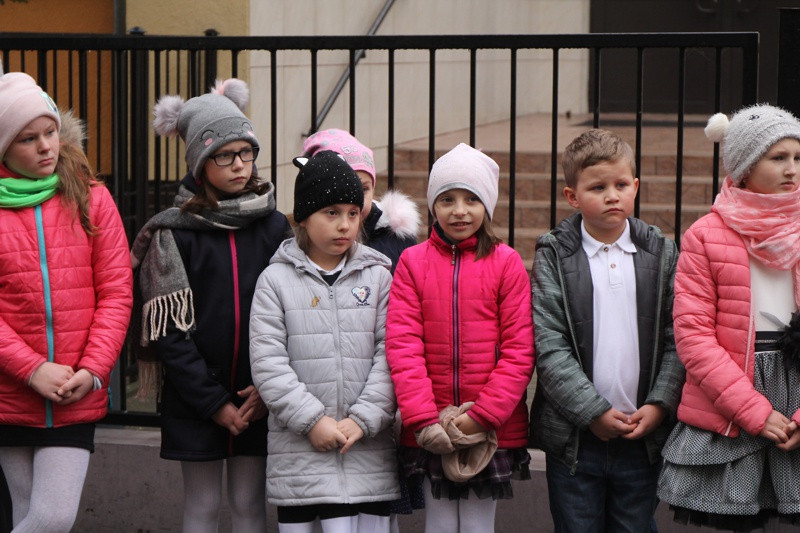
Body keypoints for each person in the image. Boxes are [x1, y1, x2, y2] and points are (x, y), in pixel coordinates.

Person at [130, 79, 291, 533]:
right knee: (201, 506)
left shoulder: (274, 224)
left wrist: (265, 390)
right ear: (200, 162)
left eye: (247, 152)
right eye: (225, 155)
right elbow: (169, 332)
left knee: (248, 504)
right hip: (196, 400)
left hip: (259, 394)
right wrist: (213, 402)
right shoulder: (173, 234)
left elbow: (290, 314)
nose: (240, 165)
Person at [529, 128, 683, 533]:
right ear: (572, 196)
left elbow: (677, 338)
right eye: (598, 187)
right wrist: (591, 411)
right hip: (576, 442)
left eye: (620, 185)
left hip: (641, 437)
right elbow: (549, 345)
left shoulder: (662, 253)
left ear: (636, 187)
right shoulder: (555, 254)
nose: (612, 195)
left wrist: (660, 404)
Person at [0, 70, 133, 532]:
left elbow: (116, 292)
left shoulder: (91, 196)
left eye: (50, 132)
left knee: (52, 518)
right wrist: (32, 369)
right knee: (27, 515)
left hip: (75, 389)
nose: (45, 147)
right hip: (9, 393)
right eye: (27, 138)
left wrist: (94, 369)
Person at [657, 104, 800, 531]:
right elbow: (694, 336)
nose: (792, 169)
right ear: (742, 167)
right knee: (736, 520)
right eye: (778, 158)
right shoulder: (705, 236)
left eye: (798, 157)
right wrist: (753, 410)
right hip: (733, 396)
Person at [385, 143, 535, 533]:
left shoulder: (506, 264)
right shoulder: (412, 263)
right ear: (433, 205)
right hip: (430, 423)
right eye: (447, 199)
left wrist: (481, 417)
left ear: (487, 204)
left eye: (471, 199)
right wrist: (422, 419)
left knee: (476, 524)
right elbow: (403, 346)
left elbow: (519, 351)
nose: (459, 210)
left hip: (488, 426)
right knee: (437, 522)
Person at [249, 149, 399, 533]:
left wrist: (363, 420)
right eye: (331, 213)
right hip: (300, 455)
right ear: (303, 216)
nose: (344, 225)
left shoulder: (379, 277)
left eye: (352, 213)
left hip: (368, 451)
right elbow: (268, 363)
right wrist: (312, 421)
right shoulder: (275, 281)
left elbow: (393, 354)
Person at [302, 128, 420, 272]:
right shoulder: (300, 244)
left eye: (363, 189)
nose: (357, 201)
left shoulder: (399, 239)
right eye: (341, 191)